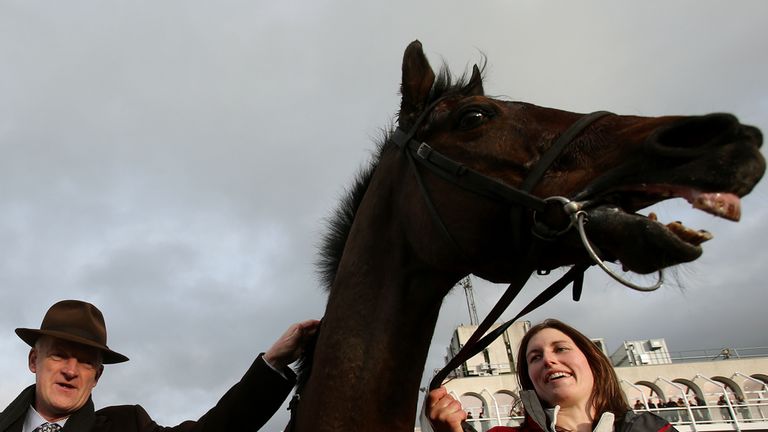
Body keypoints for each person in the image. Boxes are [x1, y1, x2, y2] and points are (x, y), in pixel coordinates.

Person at [0, 299, 320, 432]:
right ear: (33, 361)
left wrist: (272, 362)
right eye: (59, 355)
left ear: (96, 376)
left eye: (85, 362)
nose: (71, 370)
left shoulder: (128, 425)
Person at [427, 319, 676, 432]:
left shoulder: (653, 429)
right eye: (535, 357)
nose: (548, 360)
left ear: (593, 361)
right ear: (529, 378)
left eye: (561, 349)